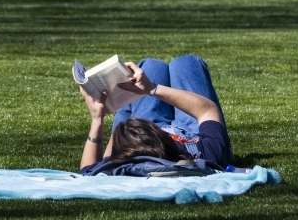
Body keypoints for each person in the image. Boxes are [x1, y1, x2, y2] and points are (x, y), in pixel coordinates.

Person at [78, 55, 233, 175]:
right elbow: (207, 110)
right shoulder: (208, 156)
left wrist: (97, 119)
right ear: (165, 137)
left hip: (138, 136)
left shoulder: (122, 165)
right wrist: (152, 89)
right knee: (186, 63)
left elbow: (88, 171)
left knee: (151, 65)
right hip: (191, 133)